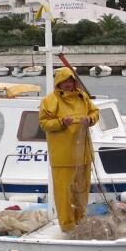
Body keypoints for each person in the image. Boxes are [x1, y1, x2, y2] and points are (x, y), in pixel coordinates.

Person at [38, 67, 100, 230]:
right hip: (63, 157)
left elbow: (95, 112)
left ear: (74, 81)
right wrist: (60, 123)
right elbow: (44, 123)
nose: (68, 84)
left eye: (70, 80)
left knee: (82, 189)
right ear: (58, 83)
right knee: (64, 193)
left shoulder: (83, 97)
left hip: (83, 154)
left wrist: (90, 119)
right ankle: (67, 226)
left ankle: (80, 220)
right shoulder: (50, 100)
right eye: (64, 81)